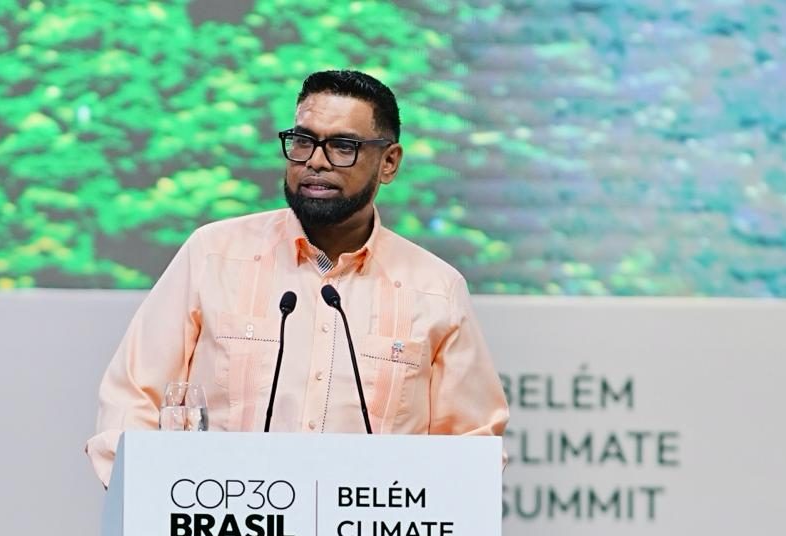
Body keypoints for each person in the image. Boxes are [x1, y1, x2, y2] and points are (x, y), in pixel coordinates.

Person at [86, 69, 508, 485]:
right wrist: (151, 503)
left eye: (343, 146)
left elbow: (470, 448)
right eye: (303, 141)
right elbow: (133, 398)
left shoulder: (434, 289)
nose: (316, 161)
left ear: (389, 162)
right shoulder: (214, 255)